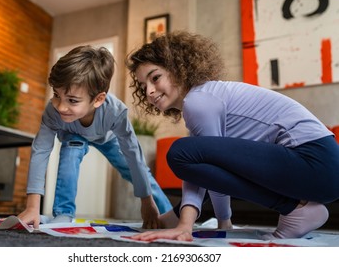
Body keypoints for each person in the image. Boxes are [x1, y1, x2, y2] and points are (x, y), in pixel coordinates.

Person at [125, 30, 339, 241]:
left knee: (180, 151)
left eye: (155, 78)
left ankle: (295, 208)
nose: (149, 91)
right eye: (143, 86)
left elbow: (198, 167)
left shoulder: (198, 101)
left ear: (178, 69)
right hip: (322, 171)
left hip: (315, 160)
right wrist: (221, 223)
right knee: (193, 156)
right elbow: (206, 173)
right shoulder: (204, 98)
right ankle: (172, 218)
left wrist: (195, 225)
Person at [18, 45, 172, 229]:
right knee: (71, 151)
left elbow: (133, 154)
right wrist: (32, 206)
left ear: (98, 99)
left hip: (107, 138)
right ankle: (63, 214)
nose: (60, 107)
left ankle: (167, 212)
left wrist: (147, 202)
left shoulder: (115, 112)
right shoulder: (53, 112)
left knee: (134, 170)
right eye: (56, 95)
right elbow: (40, 150)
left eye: (72, 100)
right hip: (73, 134)